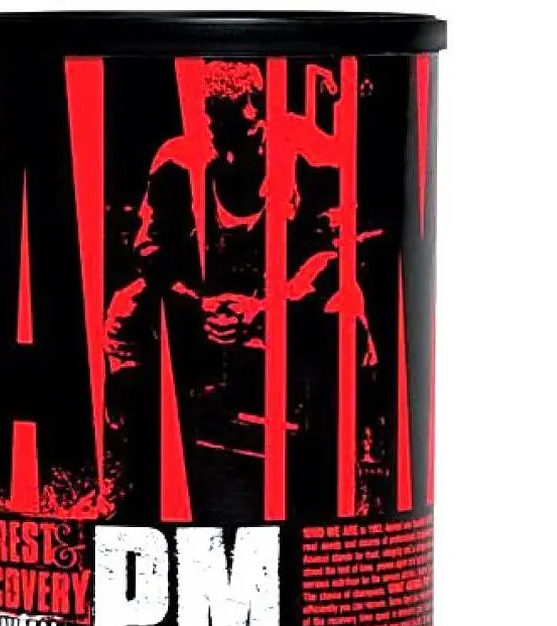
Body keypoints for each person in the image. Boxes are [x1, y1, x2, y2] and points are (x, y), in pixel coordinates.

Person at [105, 60, 378, 522]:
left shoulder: (312, 153)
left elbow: (338, 253)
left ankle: (340, 474)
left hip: (292, 303)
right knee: (124, 313)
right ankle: (136, 469)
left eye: (251, 118)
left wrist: (269, 307)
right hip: (206, 306)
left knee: (346, 311)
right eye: (227, 123)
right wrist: (197, 304)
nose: (248, 123)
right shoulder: (177, 164)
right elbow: (150, 253)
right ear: (208, 122)